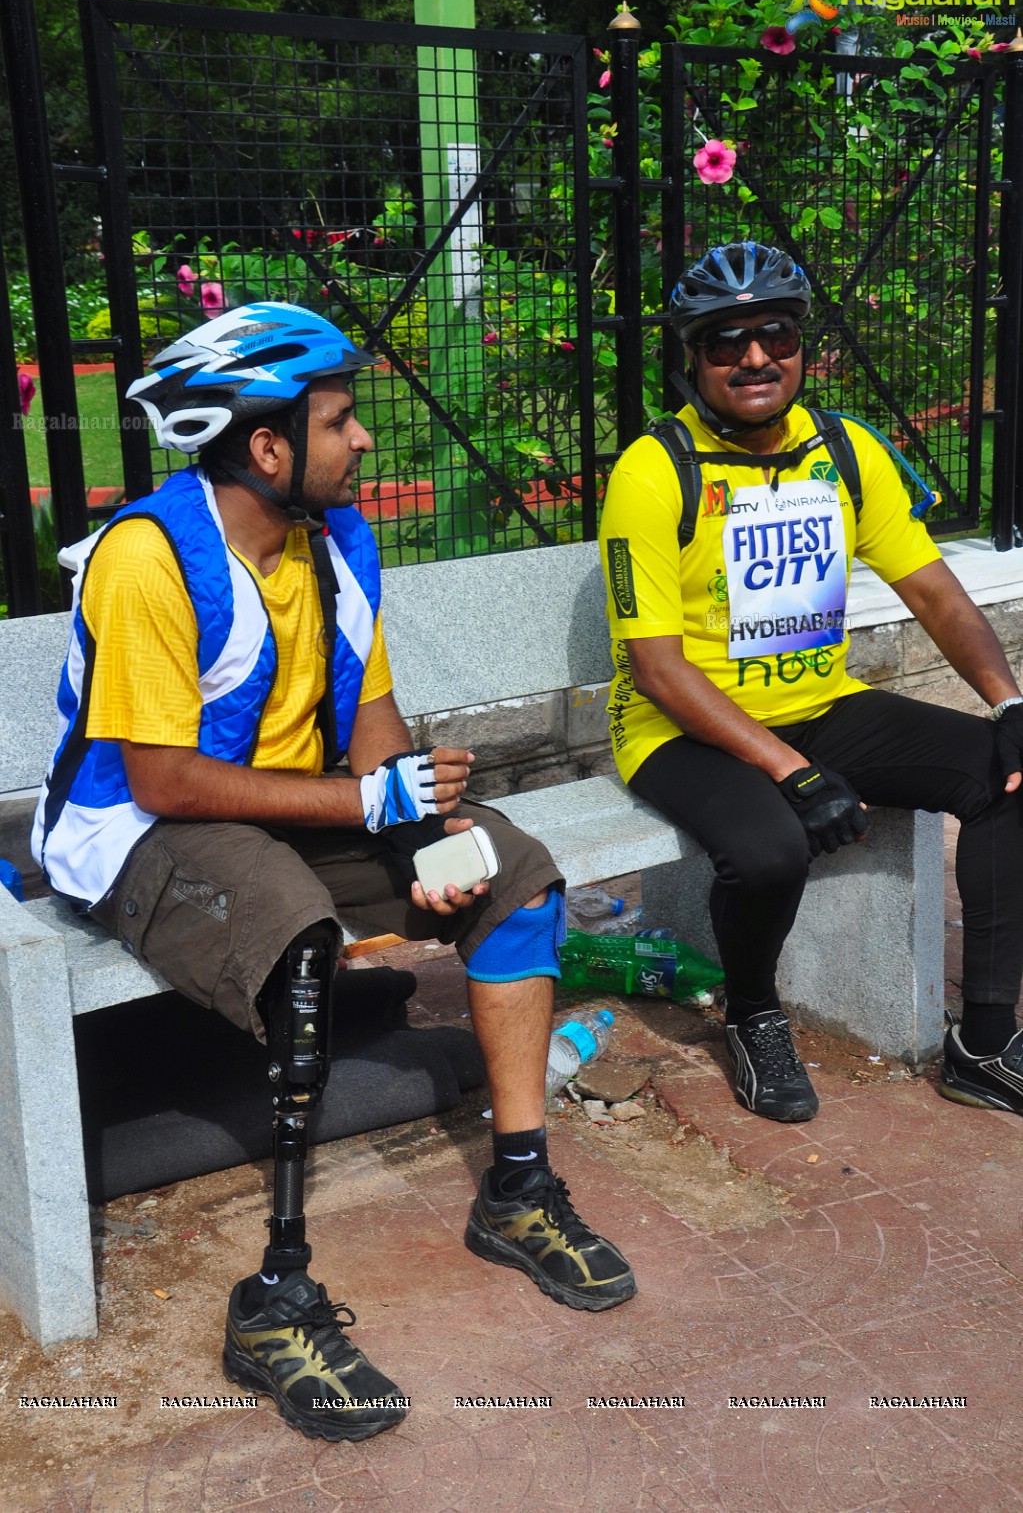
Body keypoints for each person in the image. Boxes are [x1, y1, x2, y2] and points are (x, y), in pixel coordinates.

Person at [33, 302, 635, 1445]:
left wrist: (416, 830)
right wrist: (370, 803)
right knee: (296, 931)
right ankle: (278, 1297)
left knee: (513, 869)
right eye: (341, 419)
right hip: (133, 829)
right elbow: (163, 778)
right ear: (266, 447)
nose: (362, 440)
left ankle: (517, 1187)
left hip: (287, 805)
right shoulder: (148, 557)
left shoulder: (333, 541)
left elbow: (368, 711)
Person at [598, 240, 1023, 1126]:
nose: (754, 357)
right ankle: (752, 1012)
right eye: (724, 342)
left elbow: (935, 591)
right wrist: (788, 771)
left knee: (1007, 772)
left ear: (803, 347)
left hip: (817, 707)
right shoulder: (650, 472)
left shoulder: (842, 449)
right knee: (768, 850)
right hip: (681, 730)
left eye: (774, 335)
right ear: (691, 361)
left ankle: (982, 1044)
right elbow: (656, 667)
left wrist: (1009, 703)